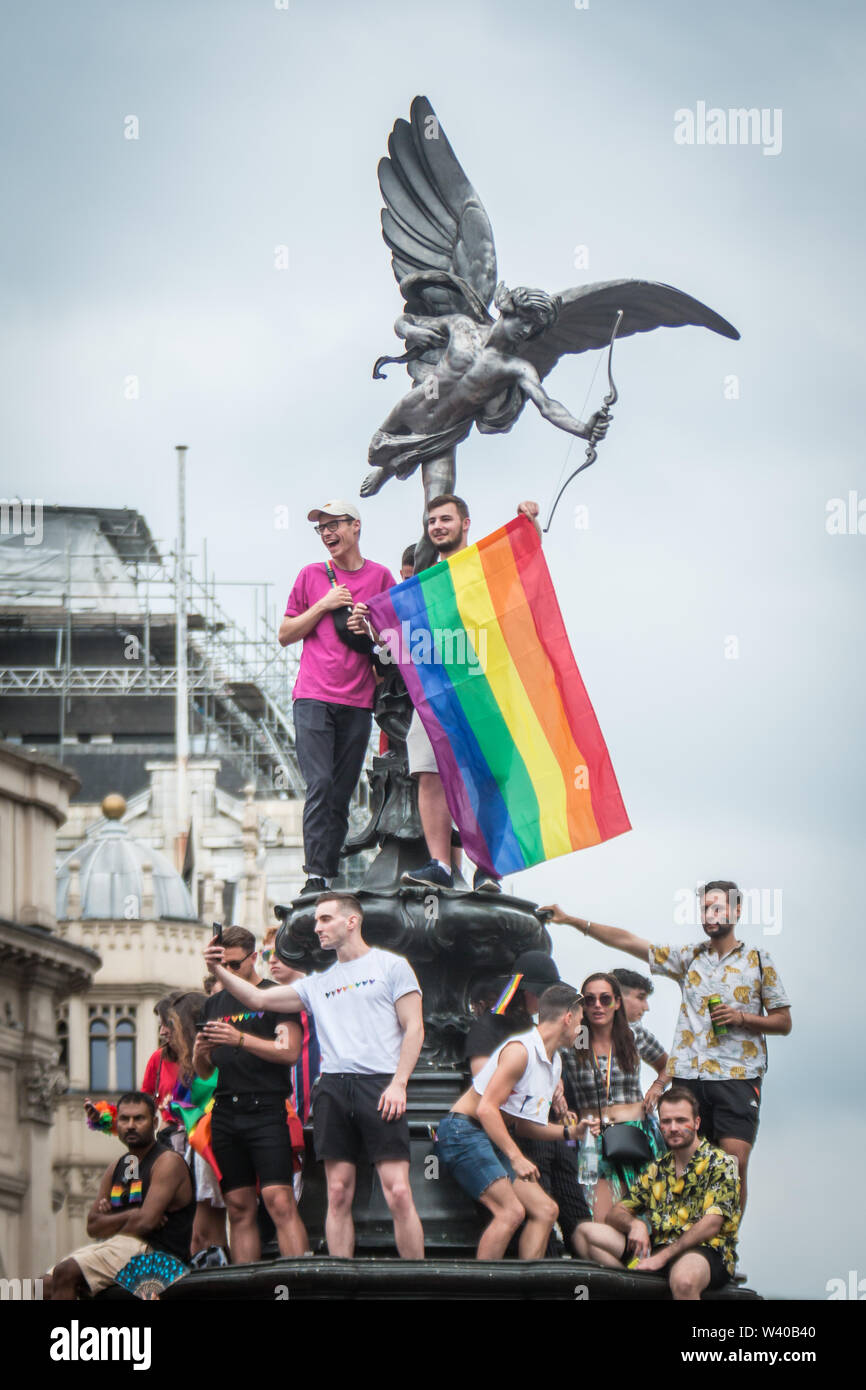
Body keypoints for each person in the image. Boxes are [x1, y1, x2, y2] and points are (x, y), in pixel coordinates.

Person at [542, 880, 792, 1211]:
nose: (711, 914)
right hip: (690, 1076)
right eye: (705, 908)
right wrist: (572, 920)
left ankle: (724, 1239)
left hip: (737, 1074)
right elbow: (629, 941)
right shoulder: (688, 958)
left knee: (734, 1161)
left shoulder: (759, 960)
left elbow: (783, 1022)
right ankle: (690, 1233)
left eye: (718, 907)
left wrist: (741, 1018)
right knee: (689, 1164)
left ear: (737, 911)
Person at [205, 894, 425, 1259]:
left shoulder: (391, 966)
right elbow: (258, 1001)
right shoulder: (319, 983)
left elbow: (414, 1027)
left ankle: (420, 1283)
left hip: (381, 1084)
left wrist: (400, 1082)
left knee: (398, 1191)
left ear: (351, 922)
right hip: (334, 1088)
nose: (317, 927)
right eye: (317, 921)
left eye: (325, 919)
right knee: (337, 1193)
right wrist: (219, 971)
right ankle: (339, 1282)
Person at [384, 494, 541, 894]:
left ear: (465, 523)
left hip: (485, 685)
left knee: (492, 776)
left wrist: (530, 522)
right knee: (428, 772)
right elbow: (397, 634)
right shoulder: (423, 579)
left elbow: (527, 559)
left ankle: (487, 868)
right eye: (431, 521)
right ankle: (439, 863)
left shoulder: (485, 565)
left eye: (445, 519)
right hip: (436, 691)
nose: (437, 526)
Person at [279, 499, 396, 897]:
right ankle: (315, 875)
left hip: (358, 700)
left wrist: (368, 628)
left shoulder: (381, 576)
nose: (328, 534)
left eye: (334, 525)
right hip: (313, 695)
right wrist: (324, 605)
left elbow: (392, 641)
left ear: (355, 526)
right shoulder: (311, 575)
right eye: (321, 528)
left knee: (342, 791)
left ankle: (326, 874)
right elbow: (286, 634)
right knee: (321, 784)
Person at [437, 984, 594, 1259]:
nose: (582, 1031)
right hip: (462, 1130)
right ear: (568, 1018)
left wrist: (570, 1132)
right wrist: (516, 1156)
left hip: (489, 1134)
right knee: (510, 1211)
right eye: (581, 1022)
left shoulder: (553, 1061)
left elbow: (523, 1125)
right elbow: (487, 1109)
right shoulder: (521, 1051)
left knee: (546, 1211)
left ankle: (525, 1287)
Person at [193, 926, 310, 1262]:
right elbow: (204, 1073)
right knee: (239, 1206)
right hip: (226, 1111)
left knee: (279, 1200)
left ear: (254, 957)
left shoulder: (276, 996)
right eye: (222, 966)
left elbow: (289, 1052)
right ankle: (248, 1288)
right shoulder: (213, 1005)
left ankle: (297, 1281)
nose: (229, 973)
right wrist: (199, 1052)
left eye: (235, 965)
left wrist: (240, 1039)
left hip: (266, 1108)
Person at [575, 1087, 741, 1299]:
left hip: (705, 1251)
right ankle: (633, 1291)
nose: (673, 1128)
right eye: (667, 1121)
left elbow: (711, 1224)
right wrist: (635, 1225)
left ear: (697, 1123)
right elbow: (616, 1213)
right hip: (659, 1247)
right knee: (584, 1234)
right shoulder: (658, 1168)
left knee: (684, 1281)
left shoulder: (720, 1163)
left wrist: (662, 1257)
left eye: (681, 1120)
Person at [44, 1092, 194, 1300]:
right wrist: (131, 1214)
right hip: (121, 1247)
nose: (131, 1125)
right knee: (43, 1285)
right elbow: (93, 1225)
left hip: (160, 1258)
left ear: (155, 1122)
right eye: (124, 1119)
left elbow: (145, 1224)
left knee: (67, 1272)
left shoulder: (167, 1161)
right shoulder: (118, 1166)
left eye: (139, 1118)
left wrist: (113, 1220)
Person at [559, 972, 668, 1221]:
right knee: (600, 1213)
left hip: (635, 1130)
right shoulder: (574, 1039)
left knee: (644, 1212)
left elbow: (668, 1064)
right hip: (592, 1134)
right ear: (582, 1004)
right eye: (590, 1000)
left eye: (605, 999)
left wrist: (658, 1086)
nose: (598, 1005)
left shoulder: (634, 1035)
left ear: (617, 1003)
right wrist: (558, 1090)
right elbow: (550, 1061)